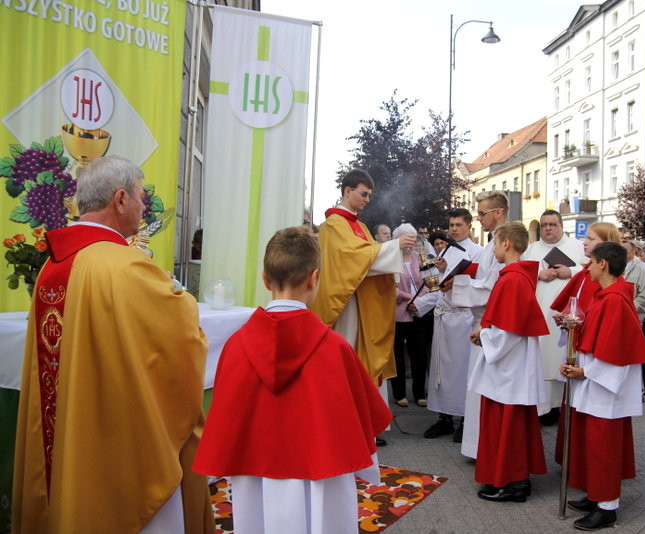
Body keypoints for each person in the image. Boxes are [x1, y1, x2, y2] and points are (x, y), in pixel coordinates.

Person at [13, 156, 213, 533]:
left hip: (70, 437)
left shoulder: (51, 267)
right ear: (120, 200)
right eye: (140, 197)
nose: (143, 207)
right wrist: (175, 295)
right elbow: (182, 342)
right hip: (114, 452)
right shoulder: (126, 267)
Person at [193, 227, 392, 533]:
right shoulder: (334, 347)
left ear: (264, 279)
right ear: (314, 279)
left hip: (254, 472)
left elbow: (225, 416)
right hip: (322, 472)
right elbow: (361, 419)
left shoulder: (236, 345)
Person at [310, 169, 416, 446]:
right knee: (346, 361)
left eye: (370, 195)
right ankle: (344, 424)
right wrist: (393, 246)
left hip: (360, 304)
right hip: (345, 307)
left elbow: (368, 258)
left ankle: (363, 423)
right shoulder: (334, 225)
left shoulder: (359, 225)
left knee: (361, 361)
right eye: (363, 193)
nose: (368, 199)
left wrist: (391, 251)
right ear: (347, 191)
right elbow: (353, 259)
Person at [557, 242, 645, 531]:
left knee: (604, 447)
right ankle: (596, 495)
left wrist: (584, 370)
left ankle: (607, 506)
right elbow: (596, 336)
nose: (587, 267)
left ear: (603, 265)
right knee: (592, 442)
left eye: (591, 262)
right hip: (593, 380)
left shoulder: (614, 300)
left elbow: (617, 351)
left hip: (606, 386)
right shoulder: (605, 296)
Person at [468, 222, 549, 503]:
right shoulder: (515, 276)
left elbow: (509, 329)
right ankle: (508, 479)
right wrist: (486, 332)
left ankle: (514, 484)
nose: (492, 249)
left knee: (508, 426)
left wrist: (484, 335)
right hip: (512, 362)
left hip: (510, 366)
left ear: (506, 244)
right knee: (507, 424)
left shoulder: (513, 279)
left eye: (494, 243)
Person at [451, 191, 508, 457]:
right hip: (482, 321)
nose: (479, 218)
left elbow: (492, 287)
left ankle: (483, 448)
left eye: (482, 213)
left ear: (498, 212)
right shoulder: (492, 242)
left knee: (483, 387)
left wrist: (459, 284)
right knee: (475, 386)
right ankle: (477, 446)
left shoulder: (505, 241)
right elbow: (485, 275)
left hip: (491, 324)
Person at [421, 209, 483, 440]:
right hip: (444, 316)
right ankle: (443, 418)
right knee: (441, 370)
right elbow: (437, 282)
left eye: (458, 224)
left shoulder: (478, 252)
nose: (454, 229)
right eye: (451, 225)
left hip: (464, 317)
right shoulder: (444, 249)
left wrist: (454, 280)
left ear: (468, 226)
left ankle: (465, 419)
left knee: (462, 369)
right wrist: (440, 272)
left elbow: (480, 282)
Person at [521, 210, 585, 426]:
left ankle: (562, 406)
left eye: (553, 224)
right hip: (540, 314)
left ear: (561, 226)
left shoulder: (576, 247)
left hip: (568, 317)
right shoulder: (533, 249)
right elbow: (519, 273)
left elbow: (589, 273)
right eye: (544, 224)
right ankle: (543, 407)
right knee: (542, 360)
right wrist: (538, 274)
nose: (548, 228)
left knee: (563, 357)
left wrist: (572, 271)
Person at [390, 223, 429, 408]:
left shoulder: (419, 256)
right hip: (398, 314)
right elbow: (391, 290)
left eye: (413, 238)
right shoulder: (391, 258)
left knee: (419, 354)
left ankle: (420, 393)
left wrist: (421, 299)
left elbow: (429, 280)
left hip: (418, 312)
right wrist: (411, 298)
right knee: (397, 355)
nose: (411, 242)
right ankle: (399, 394)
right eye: (407, 238)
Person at [622, 240, 645, 322]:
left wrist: (627, 307)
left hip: (632, 317)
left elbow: (644, 296)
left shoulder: (641, 270)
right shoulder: (612, 268)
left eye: (624, 250)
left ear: (632, 253)